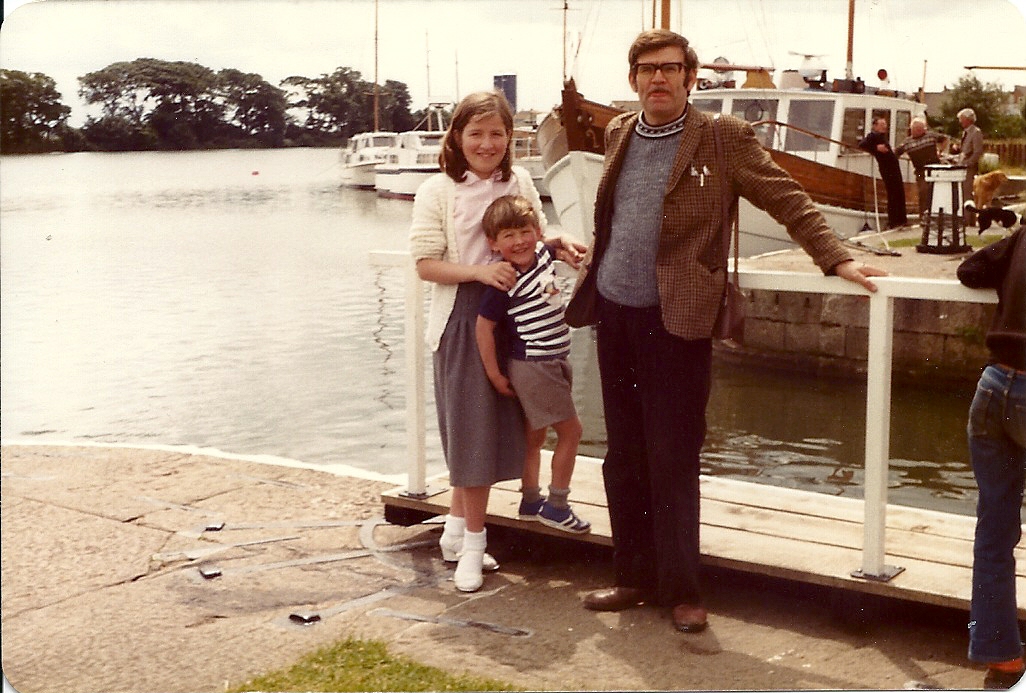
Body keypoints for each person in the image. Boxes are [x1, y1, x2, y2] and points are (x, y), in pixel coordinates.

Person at [565, 28, 886, 634]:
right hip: (614, 312)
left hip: (678, 318)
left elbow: (786, 197)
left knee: (673, 455)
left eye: (670, 68)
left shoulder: (722, 137)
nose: (658, 78)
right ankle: (633, 577)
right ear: (633, 78)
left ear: (690, 78)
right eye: (647, 69)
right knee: (624, 455)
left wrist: (836, 257)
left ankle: (682, 589)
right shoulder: (618, 132)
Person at [409, 91, 583, 593]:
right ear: (457, 137)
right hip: (465, 317)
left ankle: (455, 530)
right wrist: (481, 273)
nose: (486, 144)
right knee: (472, 435)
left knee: (499, 432)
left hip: (518, 321)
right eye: (476, 133)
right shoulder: (437, 190)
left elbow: (531, 237)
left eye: (497, 133)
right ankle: (472, 548)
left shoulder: (519, 180)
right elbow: (425, 265)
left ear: (509, 137)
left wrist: (558, 242)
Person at [475, 195, 591, 536]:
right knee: (572, 432)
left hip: (555, 359)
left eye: (525, 231)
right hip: (534, 364)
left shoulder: (542, 253)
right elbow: (483, 327)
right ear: (493, 243)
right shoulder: (505, 280)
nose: (519, 241)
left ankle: (529, 500)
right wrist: (494, 373)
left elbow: (555, 246)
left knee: (535, 434)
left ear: (537, 231)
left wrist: (563, 242)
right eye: (508, 235)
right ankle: (557, 506)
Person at [957, 224, 1026, 691]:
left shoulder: (1022, 236)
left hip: (995, 385)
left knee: (994, 533)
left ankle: (1002, 661)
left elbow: (970, 270)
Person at [858, 116, 908, 229]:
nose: (884, 127)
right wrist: (876, 148)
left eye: (885, 124)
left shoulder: (881, 137)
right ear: (875, 126)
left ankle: (901, 220)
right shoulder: (873, 136)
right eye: (881, 125)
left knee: (899, 192)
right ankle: (895, 221)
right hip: (887, 168)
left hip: (893, 167)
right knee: (893, 193)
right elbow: (862, 145)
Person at [895, 116, 949, 216]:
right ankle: (923, 216)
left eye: (921, 129)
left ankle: (937, 214)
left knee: (937, 191)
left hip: (935, 168)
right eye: (917, 129)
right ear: (912, 129)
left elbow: (945, 139)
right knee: (923, 192)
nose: (920, 131)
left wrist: (940, 151)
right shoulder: (907, 143)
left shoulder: (930, 136)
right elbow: (896, 153)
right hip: (920, 171)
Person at [956, 108, 985, 226]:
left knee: (967, 193)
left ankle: (968, 220)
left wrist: (967, 163)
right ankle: (968, 219)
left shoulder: (976, 132)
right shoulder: (965, 132)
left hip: (969, 168)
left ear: (968, 119)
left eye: (962, 119)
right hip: (963, 166)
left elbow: (978, 151)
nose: (960, 122)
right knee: (964, 192)